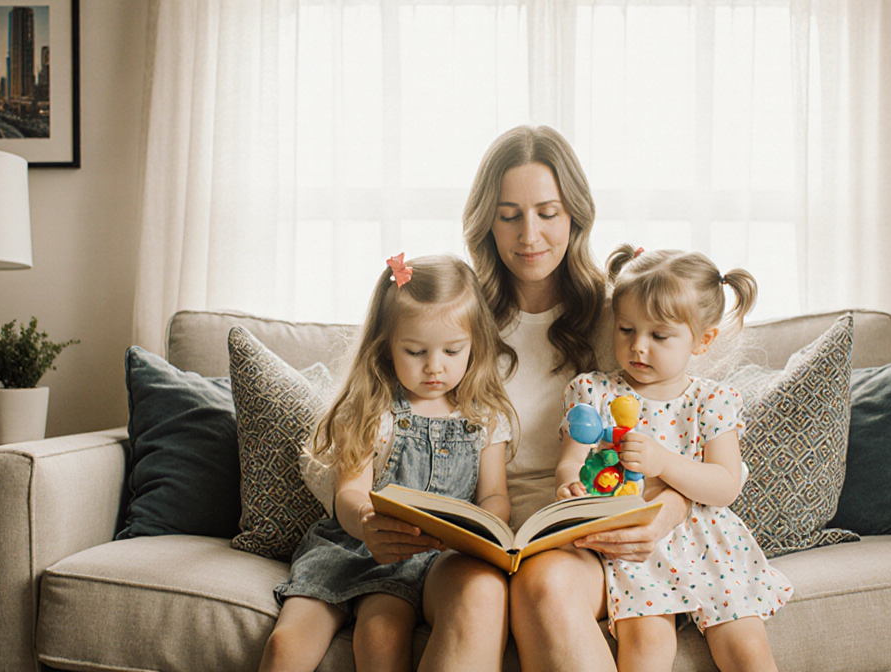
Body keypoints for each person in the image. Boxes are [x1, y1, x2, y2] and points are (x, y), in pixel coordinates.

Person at [463, 125, 693, 671]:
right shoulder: (455, 319)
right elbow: (367, 419)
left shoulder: (621, 320)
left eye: (548, 211)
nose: (529, 235)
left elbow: (686, 433)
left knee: (543, 584)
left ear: (576, 216)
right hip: (483, 534)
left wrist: (662, 517)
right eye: (509, 214)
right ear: (486, 222)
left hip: (586, 536)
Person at [258, 254, 515, 672]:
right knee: (284, 648)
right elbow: (350, 491)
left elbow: (495, 496)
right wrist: (365, 522)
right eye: (415, 351)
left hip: (419, 559)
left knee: (381, 636)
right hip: (350, 543)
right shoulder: (374, 409)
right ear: (387, 344)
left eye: (452, 350)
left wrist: (478, 531)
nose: (435, 367)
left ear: (476, 345)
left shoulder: (484, 417)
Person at [556, 245, 792, 672]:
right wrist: (569, 484)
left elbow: (724, 484)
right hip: (633, 543)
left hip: (708, 542)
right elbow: (571, 460)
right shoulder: (594, 392)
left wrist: (664, 462)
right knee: (646, 645)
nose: (637, 347)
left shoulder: (712, 401)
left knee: (747, 649)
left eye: (659, 336)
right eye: (626, 329)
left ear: (702, 341)